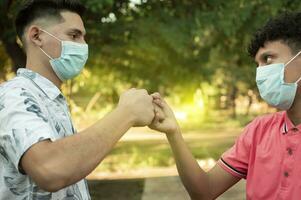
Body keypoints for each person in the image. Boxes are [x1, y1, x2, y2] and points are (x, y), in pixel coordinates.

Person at [0, 0, 164, 199]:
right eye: (74, 35)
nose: (83, 46)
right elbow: (50, 170)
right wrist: (126, 114)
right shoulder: (14, 96)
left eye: (83, 38)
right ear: (37, 36)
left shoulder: (50, 100)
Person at [150, 12, 301, 199]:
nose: (261, 72)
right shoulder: (257, 132)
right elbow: (205, 191)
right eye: (258, 64)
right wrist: (173, 133)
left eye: (268, 59)